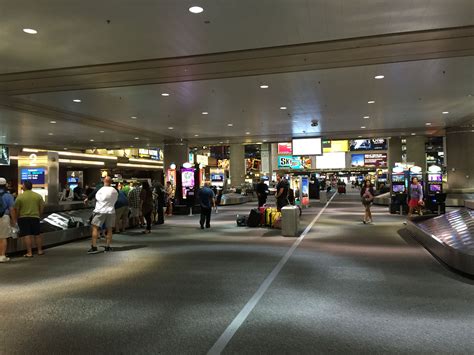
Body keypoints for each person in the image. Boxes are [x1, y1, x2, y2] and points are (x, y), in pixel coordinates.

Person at [13, 180, 45, 257]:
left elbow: (16, 209)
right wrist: (39, 215)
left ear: (24, 186)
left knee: (27, 235)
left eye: (22, 185)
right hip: (35, 217)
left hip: (23, 218)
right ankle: (40, 251)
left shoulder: (20, 197)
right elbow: (42, 207)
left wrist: (16, 218)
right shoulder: (38, 196)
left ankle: (29, 253)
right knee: (37, 234)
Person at [88, 176, 118, 254]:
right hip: (111, 211)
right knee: (109, 229)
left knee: (95, 228)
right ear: (111, 182)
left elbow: (93, 197)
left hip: (100, 211)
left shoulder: (100, 189)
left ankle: (94, 247)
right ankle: (108, 247)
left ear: (104, 181)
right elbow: (115, 200)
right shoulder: (115, 190)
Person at [0, 178, 16, 262]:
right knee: (3, 237)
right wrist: (14, 220)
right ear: (5, 185)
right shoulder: (8, 195)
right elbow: (12, 209)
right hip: (4, 217)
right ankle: (2, 256)